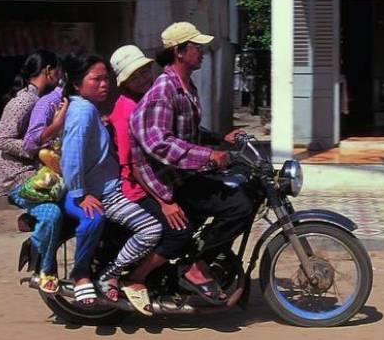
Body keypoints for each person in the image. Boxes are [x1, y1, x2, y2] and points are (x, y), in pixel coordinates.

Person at [129, 22, 255, 304]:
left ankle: (202, 260)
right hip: (167, 181)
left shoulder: (186, 87)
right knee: (238, 206)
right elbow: (160, 142)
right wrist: (209, 156)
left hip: (184, 174)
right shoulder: (164, 90)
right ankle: (196, 266)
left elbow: (190, 132)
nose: (201, 51)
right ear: (179, 52)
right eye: (196, 46)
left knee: (242, 189)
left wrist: (221, 138)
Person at [60, 53, 162, 314]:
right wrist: (81, 194)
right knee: (151, 229)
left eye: (106, 79)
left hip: (110, 185)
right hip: (106, 192)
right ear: (76, 84)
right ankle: (111, 274)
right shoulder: (83, 112)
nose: (104, 84)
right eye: (96, 79)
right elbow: (71, 156)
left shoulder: (88, 109)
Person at [106, 45, 193, 296]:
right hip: (137, 187)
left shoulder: (149, 99)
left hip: (158, 180)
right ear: (125, 82)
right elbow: (132, 164)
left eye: (145, 72)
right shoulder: (125, 110)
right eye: (135, 76)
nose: (143, 78)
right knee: (179, 231)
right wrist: (164, 202)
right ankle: (135, 277)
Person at [0, 49, 64, 294]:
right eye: (58, 70)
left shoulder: (43, 98)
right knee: (52, 215)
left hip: (38, 175)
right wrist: (34, 149)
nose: (61, 75)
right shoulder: (25, 100)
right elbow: (1, 140)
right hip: (19, 178)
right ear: (48, 70)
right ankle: (40, 260)